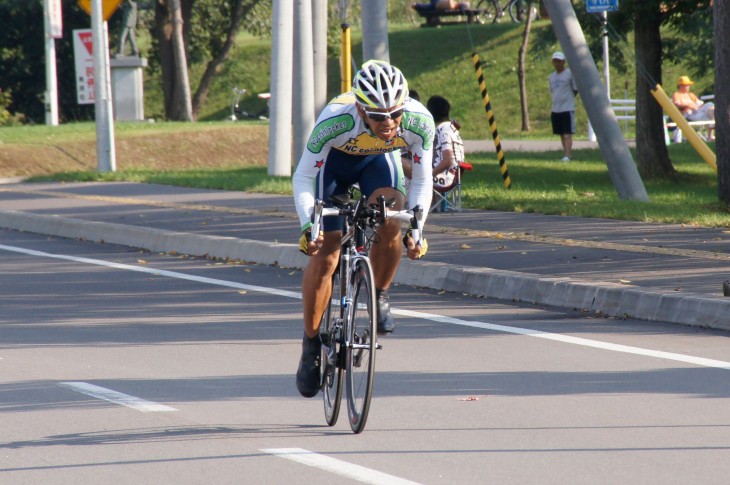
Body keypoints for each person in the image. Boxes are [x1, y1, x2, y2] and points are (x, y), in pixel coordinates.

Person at [292, 60, 435, 398]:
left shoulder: (418, 121)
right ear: (360, 109)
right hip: (334, 166)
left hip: (377, 163)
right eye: (378, 116)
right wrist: (307, 225)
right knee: (327, 253)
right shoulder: (337, 120)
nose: (389, 122)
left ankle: (380, 294)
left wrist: (417, 228)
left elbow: (423, 180)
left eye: (395, 114)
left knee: (392, 216)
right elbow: (303, 177)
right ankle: (311, 344)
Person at [403, 95, 464, 212]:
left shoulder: (442, 131)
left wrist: (428, 176)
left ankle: (411, 204)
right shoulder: (451, 127)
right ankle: (427, 202)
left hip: (446, 176)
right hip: (456, 174)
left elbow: (447, 160)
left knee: (401, 162)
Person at [548, 51, 578, 162]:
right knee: (561, 133)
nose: (557, 64)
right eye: (555, 61)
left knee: (567, 134)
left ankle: (568, 154)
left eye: (559, 61)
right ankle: (565, 153)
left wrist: (569, 99)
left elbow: (575, 89)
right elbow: (552, 91)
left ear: (563, 62)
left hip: (567, 108)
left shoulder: (569, 74)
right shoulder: (551, 77)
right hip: (556, 108)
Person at [671, 75, 715, 141]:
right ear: (681, 85)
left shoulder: (690, 94)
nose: (689, 86)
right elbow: (677, 104)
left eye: (689, 85)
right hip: (688, 113)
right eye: (687, 85)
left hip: (697, 110)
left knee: (710, 105)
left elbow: (700, 103)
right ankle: (710, 135)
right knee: (707, 117)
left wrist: (697, 106)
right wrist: (689, 105)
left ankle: (711, 131)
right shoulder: (677, 94)